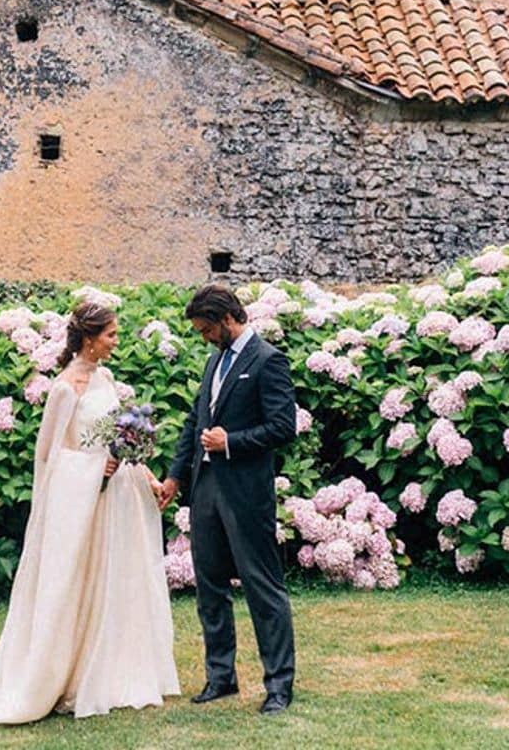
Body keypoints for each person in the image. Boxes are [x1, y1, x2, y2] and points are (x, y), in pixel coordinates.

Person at [0, 301, 180, 725]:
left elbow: (119, 438)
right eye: (111, 335)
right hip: (83, 501)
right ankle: (63, 675)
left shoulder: (105, 377)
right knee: (77, 583)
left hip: (116, 498)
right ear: (89, 339)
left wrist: (148, 476)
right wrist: (94, 468)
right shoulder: (65, 388)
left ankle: (110, 669)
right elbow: (50, 456)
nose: (116, 341)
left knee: (117, 581)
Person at [156, 283, 298, 715]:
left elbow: (283, 427)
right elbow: (194, 424)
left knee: (262, 587)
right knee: (209, 587)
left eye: (205, 330)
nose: (203, 338)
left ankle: (278, 686)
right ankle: (221, 678)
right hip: (205, 492)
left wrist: (230, 441)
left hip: (246, 495)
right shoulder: (214, 362)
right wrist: (176, 477)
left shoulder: (269, 361)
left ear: (226, 319)